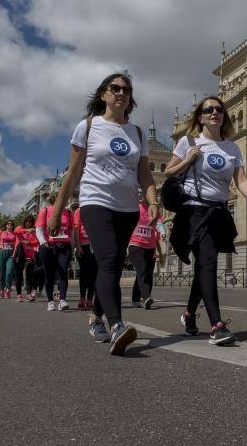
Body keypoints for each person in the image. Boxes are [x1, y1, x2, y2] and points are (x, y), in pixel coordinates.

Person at [48, 73, 158, 356]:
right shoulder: (88, 126)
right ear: (103, 95)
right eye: (115, 88)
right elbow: (72, 174)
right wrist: (57, 212)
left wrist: (153, 202)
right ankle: (117, 324)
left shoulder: (137, 133)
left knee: (112, 265)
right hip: (95, 202)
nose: (121, 93)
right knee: (108, 259)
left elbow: (145, 176)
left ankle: (95, 317)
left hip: (128, 208)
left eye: (126, 89)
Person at [166, 96, 247, 345]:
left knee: (204, 267)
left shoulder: (232, 148)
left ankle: (189, 314)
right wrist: (188, 159)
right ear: (200, 117)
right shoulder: (188, 141)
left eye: (219, 110)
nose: (214, 113)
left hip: (219, 212)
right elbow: (168, 171)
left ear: (224, 116)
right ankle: (217, 325)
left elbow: (241, 179)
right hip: (193, 211)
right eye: (208, 110)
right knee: (208, 261)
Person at [36, 194, 73, 311]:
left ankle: (62, 300)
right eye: (59, 197)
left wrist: (73, 244)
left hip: (64, 245)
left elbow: (70, 230)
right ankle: (50, 301)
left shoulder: (68, 212)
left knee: (63, 271)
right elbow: (39, 229)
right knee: (49, 274)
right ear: (53, 199)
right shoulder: (45, 211)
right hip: (48, 246)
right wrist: (43, 241)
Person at [128, 196, 163, 310]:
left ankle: (135, 299)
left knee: (145, 274)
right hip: (136, 245)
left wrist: (162, 233)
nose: (140, 196)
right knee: (142, 270)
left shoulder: (153, 209)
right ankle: (147, 297)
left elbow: (159, 224)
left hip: (150, 247)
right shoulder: (135, 208)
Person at [71, 204, 96, 310]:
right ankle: (82, 298)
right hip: (83, 245)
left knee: (94, 274)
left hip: (95, 246)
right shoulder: (79, 211)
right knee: (84, 273)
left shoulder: (98, 211)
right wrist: (77, 245)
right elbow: (76, 228)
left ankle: (90, 299)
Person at [0, 220, 17, 299]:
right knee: (2, 273)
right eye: (8, 224)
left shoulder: (14, 234)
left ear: (13, 226)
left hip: (11, 254)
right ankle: (1, 290)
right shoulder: (1, 232)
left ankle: (7, 289)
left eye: (11, 224)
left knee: (9, 271)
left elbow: (16, 245)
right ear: (6, 225)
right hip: (1, 252)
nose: (10, 225)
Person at [14, 215, 38, 302]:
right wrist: (27, 230)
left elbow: (36, 242)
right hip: (19, 255)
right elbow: (16, 232)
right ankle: (19, 294)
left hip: (29, 255)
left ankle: (28, 294)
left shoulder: (33, 231)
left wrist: (29, 242)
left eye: (30, 222)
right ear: (24, 222)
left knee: (29, 272)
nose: (28, 223)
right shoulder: (20, 228)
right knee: (19, 275)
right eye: (27, 221)